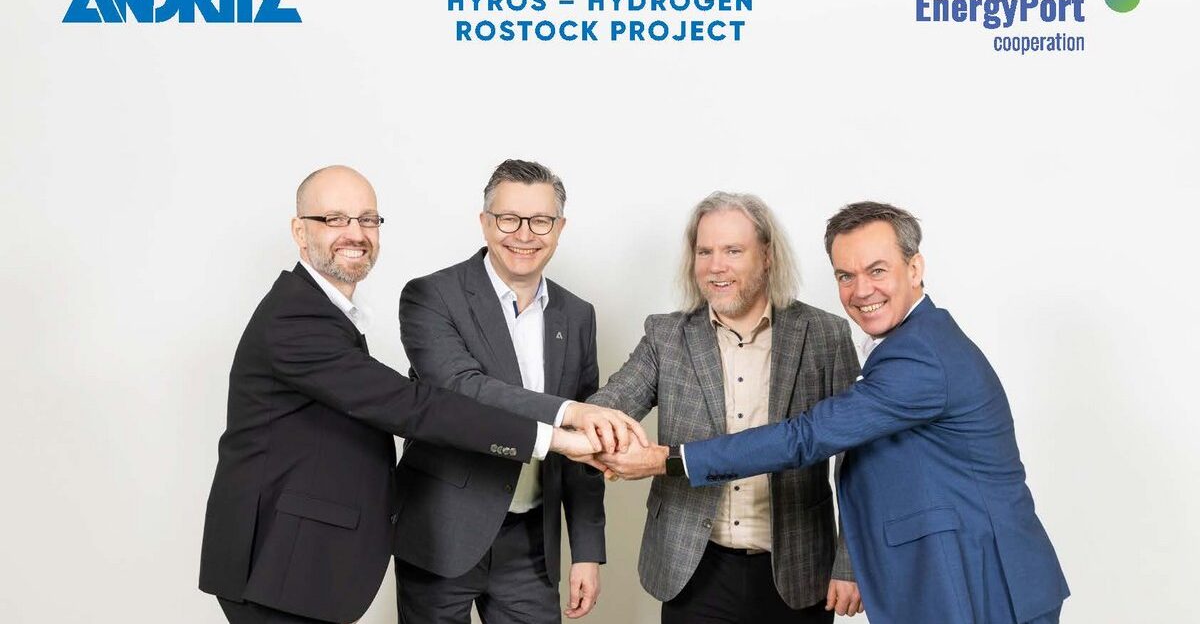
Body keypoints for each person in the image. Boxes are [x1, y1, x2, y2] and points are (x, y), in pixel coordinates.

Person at [603, 201, 1070, 624]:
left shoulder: (919, 356)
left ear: (915, 268)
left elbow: (806, 437)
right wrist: (569, 422)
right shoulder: (909, 343)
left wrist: (668, 459)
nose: (861, 290)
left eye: (877, 270)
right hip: (952, 569)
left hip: (984, 575)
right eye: (845, 276)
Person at [198, 165, 625, 624]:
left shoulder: (326, 313)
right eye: (335, 219)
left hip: (315, 557)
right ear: (300, 232)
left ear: (559, 227)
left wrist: (586, 547)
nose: (356, 233)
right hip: (284, 559)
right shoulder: (300, 318)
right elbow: (421, 403)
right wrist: (559, 432)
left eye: (367, 219)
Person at [586, 192, 863, 623]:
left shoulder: (825, 336)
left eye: (733, 251)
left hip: (797, 567)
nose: (716, 266)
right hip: (693, 568)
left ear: (766, 256)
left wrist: (850, 563)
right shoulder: (667, 336)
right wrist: (594, 432)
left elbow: (857, 458)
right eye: (705, 252)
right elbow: (609, 406)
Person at [392, 159, 635, 623]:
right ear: (485, 222)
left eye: (540, 220)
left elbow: (584, 452)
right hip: (442, 532)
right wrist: (569, 413)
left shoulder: (578, 315)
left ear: (559, 228)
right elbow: (462, 390)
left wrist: (586, 550)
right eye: (508, 219)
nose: (524, 234)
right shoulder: (430, 296)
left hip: (530, 543)